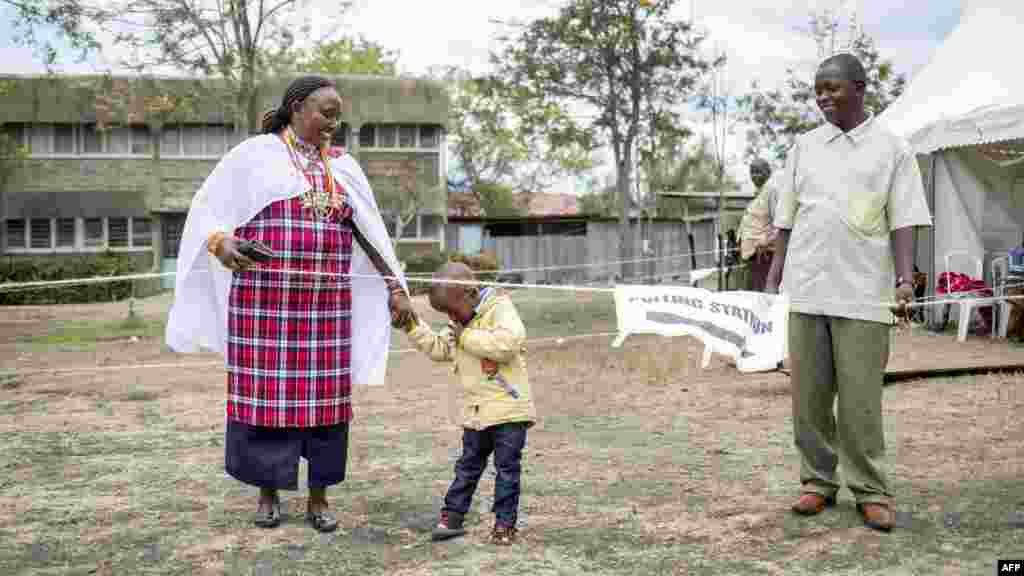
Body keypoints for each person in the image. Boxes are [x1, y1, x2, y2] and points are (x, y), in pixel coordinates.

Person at [165, 76, 415, 533]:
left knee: (327, 407)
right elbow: (207, 212)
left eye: (338, 116)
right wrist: (221, 243)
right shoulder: (254, 156)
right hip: (262, 309)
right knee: (266, 403)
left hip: (326, 312)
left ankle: (319, 498)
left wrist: (395, 287)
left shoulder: (343, 167)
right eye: (326, 112)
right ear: (298, 107)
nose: (333, 123)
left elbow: (372, 234)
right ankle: (267, 493)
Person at [765, 53, 932, 532]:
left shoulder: (892, 149)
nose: (822, 97)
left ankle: (871, 490)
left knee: (860, 402)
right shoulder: (804, 147)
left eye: (832, 88)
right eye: (818, 89)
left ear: (860, 88)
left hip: (863, 294)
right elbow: (786, 217)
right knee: (809, 399)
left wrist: (904, 280)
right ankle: (817, 481)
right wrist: (776, 275)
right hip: (808, 289)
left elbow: (904, 221)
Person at [400, 262, 536, 545]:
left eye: (452, 310)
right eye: (446, 314)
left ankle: (504, 526)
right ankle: (452, 517)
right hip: (477, 412)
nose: (451, 317)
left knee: (507, 470)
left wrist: (467, 336)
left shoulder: (500, 308)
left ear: (471, 293)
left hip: (509, 409)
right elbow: (440, 349)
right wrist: (411, 324)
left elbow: (508, 344)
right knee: (468, 466)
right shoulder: (459, 322)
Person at [738, 158, 777, 292]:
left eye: (758, 172)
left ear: (768, 172)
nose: (754, 176)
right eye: (752, 172)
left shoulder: (772, 191)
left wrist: (766, 242)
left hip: (764, 254)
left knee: (761, 295)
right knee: (753, 293)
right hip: (752, 255)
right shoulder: (758, 193)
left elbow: (778, 222)